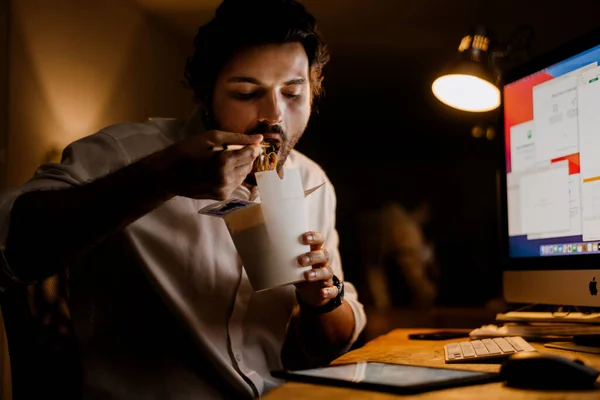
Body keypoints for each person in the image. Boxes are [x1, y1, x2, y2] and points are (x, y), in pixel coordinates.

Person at [0, 0, 366, 398]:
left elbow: (320, 346)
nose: (274, 114)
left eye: (293, 93)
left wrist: (323, 299)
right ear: (204, 94)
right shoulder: (122, 154)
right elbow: (12, 246)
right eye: (246, 92)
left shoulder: (313, 181)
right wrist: (163, 177)